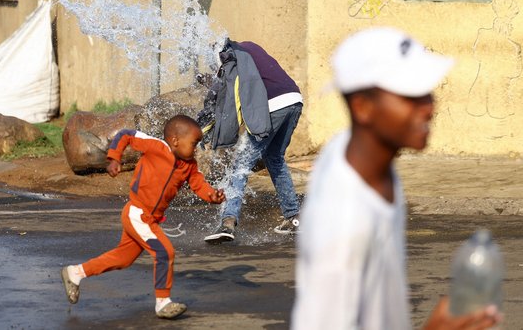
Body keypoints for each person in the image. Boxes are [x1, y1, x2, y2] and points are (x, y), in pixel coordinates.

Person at [291, 27, 502, 330]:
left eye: (426, 92)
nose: (429, 107)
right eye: (410, 96)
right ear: (363, 107)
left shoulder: (362, 155)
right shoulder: (343, 224)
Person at [60, 115, 225, 319]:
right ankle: (163, 303)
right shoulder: (156, 147)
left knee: (124, 258)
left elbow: (198, 183)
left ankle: (75, 272)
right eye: (194, 143)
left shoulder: (188, 165)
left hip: (149, 218)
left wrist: (212, 196)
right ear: (175, 141)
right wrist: (114, 157)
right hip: (138, 213)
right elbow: (126, 135)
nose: (197, 149)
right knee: (165, 252)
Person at [198, 39, 303, 243]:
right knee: (275, 158)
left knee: (241, 164)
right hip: (294, 100)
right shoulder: (248, 47)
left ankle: (228, 222)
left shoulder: (228, 56)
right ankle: (293, 217)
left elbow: (224, 96)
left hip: (272, 105)